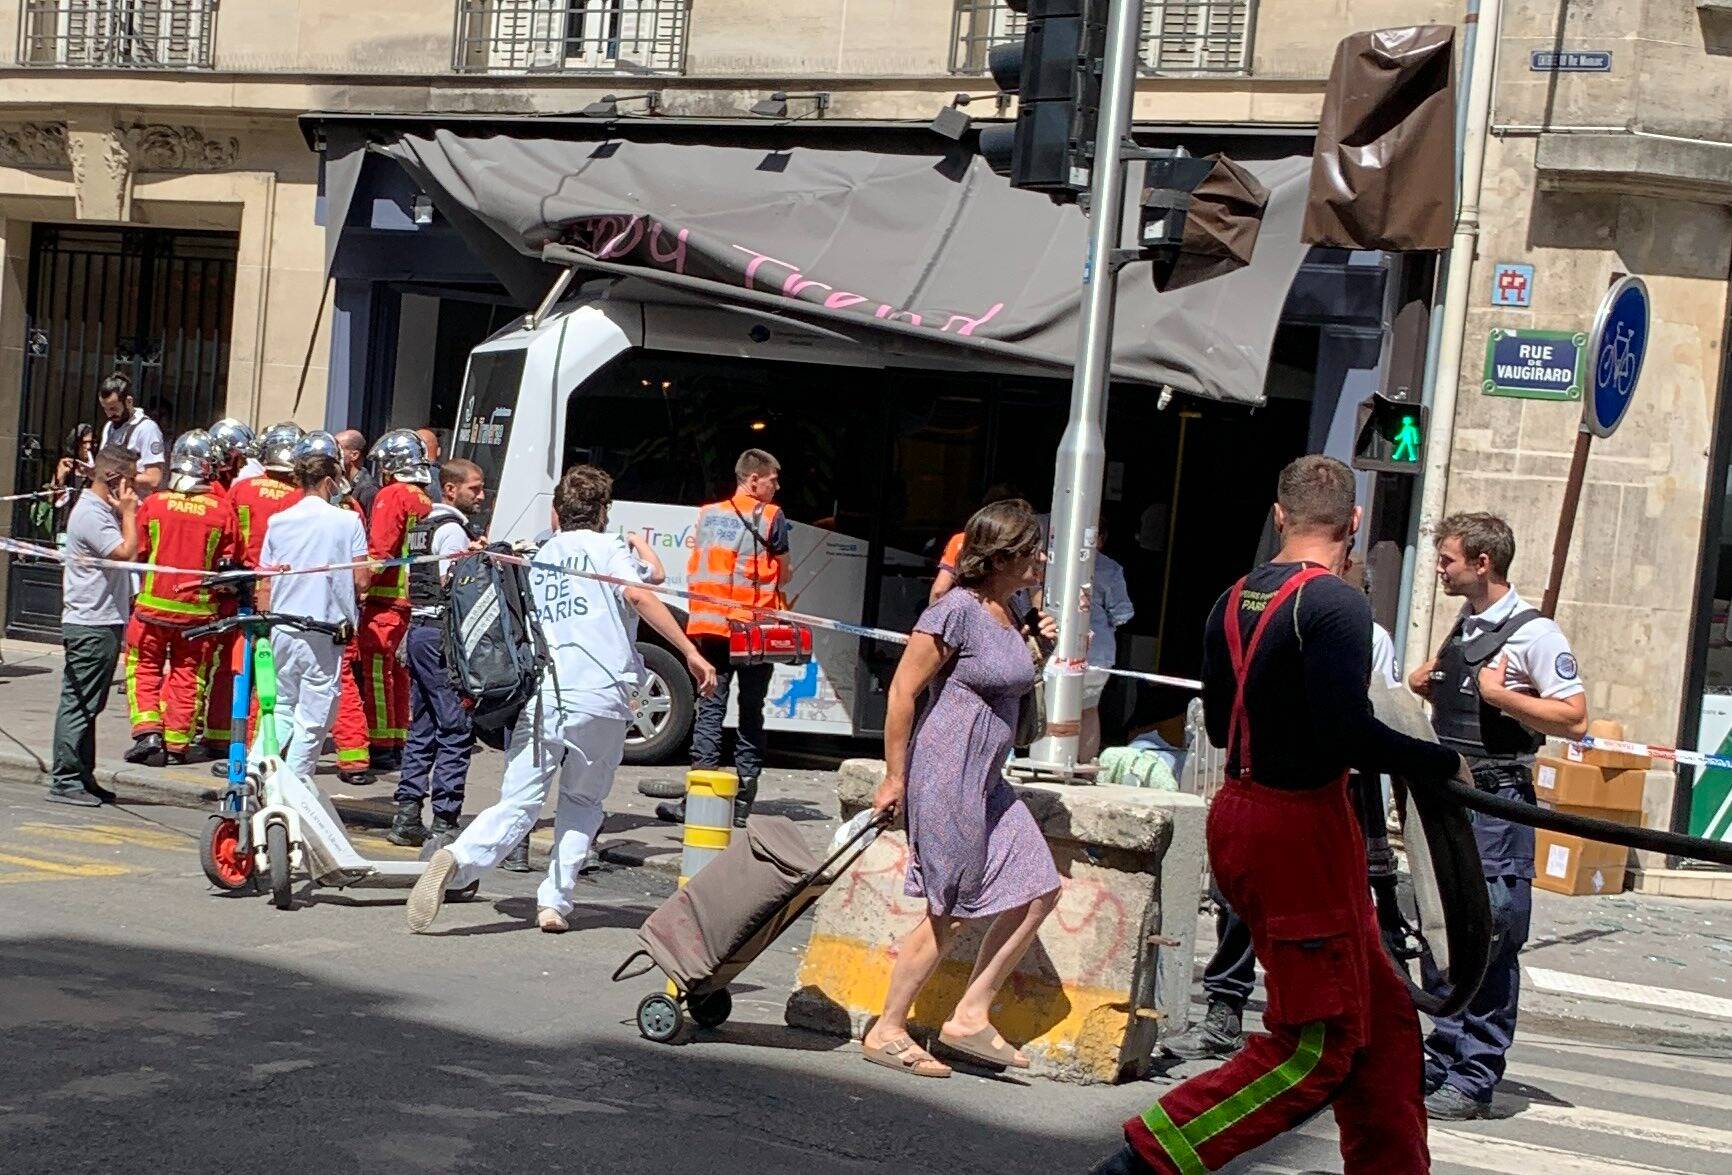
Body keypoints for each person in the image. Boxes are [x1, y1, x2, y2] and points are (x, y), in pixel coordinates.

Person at [1095, 456, 1465, 1175]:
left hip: (1248, 808)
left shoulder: (1232, 598)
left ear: (1279, 514)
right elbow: (1344, 733)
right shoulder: (1338, 604)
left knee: (1385, 1023)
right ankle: (1144, 1158)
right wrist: (1439, 762)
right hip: (1298, 828)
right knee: (1316, 1048)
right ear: (1354, 522)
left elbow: (1228, 724)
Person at [407, 464, 717, 934]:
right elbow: (641, 592)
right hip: (601, 696)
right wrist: (690, 650)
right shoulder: (609, 549)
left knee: (519, 801)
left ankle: (459, 856)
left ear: (557, 512)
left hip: (543, 694)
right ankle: (554, 901)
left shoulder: (541, 554)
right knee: (582, 800)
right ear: (604, 512)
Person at [859, 499, 1061, 1080]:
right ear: (1001, 556)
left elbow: (1008, 681)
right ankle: (887, 1029)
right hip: (947, 773)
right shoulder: (956, 611)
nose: (1041, 557)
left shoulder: (1009, 609)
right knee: (947, 905)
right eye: (1032, 548)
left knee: (1039, 886)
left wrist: (1036, 649)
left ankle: (970, 1016)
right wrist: (895, 776)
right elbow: (902, 692)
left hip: (988, 778)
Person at [1408, 512, 1587, 1121]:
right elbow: (1451, 687)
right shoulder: (1468, 621)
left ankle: (1476, 1074)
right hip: (1449, 796)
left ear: (1483, 563)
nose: (1439, 567)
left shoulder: (1535, 633)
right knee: (1442, 932)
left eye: (1448, 559)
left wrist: (1501, 697)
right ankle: (1439, 1057)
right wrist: (1428, 682)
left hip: (1497, 800)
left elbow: (1574, 718)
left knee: (1491, 933)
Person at [1164, 618, 1402, 1064]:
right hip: (1273, 784)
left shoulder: (1366, 635)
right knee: (1240, 905)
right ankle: (1227, 1009)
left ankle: (1341, 1022)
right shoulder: (1272, 624)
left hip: (1335, 789)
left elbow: (1377, 712)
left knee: (1338, 913)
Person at [657, 448, 789, 828]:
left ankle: (700, 799)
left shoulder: (709, 513)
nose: (776, 487)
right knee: (751, 712)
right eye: (773, 480)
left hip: (712, 628)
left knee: (710, 709)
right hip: (753, 629)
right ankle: (744, 801)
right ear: (753, 479)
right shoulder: (771, 517)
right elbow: (785, 572)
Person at [121, 430, 239, 766]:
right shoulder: (222, 510)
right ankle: (176, 745)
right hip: (198, 613)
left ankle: (147, 733)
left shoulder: (156, 504)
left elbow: (139, 551)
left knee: (143, 668)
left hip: (152, 607)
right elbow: (229, 559)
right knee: (190, 675)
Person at [255, 447, 371, 785]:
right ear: (327, 482)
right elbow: (361, 577)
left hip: (282, 626)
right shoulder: (347, 520)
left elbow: (266, 580)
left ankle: (256, 772)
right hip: (324, 627)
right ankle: (296, 779)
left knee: (279, 705)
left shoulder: (278, 521)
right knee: (316, 712)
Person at [389, 458, 488, 848]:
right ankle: (446, 819)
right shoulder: (451, 531)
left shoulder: (423, 526)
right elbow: (456, 586)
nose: (480, 496)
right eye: (474, 489)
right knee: (456, 728)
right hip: (441, 637)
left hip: (419, 632)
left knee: (424, 726)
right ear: (450, 489)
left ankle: (407, 813)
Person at [208, 422, 306, 770]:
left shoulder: (241, 489)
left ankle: (223, 736)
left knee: (237, 667)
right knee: (274, 675)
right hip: (284, 591)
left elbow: (228, 533)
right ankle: (262, 743)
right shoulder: (299, 496)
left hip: (244, 585)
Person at [47, 445, 139, 806]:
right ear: (115, 478)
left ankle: (83, 775)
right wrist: (128, 514)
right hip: (91, 623)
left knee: (90, 704)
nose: (133, 489)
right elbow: (125, 552)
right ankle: (66, 779)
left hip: (102, 619)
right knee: (79, 702)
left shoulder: (99, 510)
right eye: (130, 480)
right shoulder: (92, 515)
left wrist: (123, 510)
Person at [359, 429, 434, 773]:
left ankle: (381, 743)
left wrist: (357, 584)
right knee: (401, 675)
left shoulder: (393, 495)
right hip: (413, 602)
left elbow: (380, 550)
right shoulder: (424, 498)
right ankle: (397, 738)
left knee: (377, 674)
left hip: (386, 601)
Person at [1082, 518, 1134, 762]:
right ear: (1100, 539)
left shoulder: (1055, 562)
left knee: (1051, 704)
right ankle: (1083, 762)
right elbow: (1122, 613)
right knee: (1089, 708)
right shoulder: (1110, 568)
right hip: (1098, 652)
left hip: (1056, 646)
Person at [929, 483, 1023, 605]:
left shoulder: (962, 540)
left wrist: (934, 618)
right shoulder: (1024, 544)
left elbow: (939, 591)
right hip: (1010, 611)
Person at [96, 372, 166, 494]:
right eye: (105, 409)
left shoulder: (147, 429)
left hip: (135, 505)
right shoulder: (109, 426)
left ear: (129, 402)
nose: (109, 414)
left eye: (113, 409)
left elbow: (154, 479)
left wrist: (125, 478)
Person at [336, 430, 379, 515]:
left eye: (338, 449)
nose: (332, 454)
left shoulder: (369, 490)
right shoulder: (336, 481)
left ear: (354, 455)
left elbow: (368, 525)